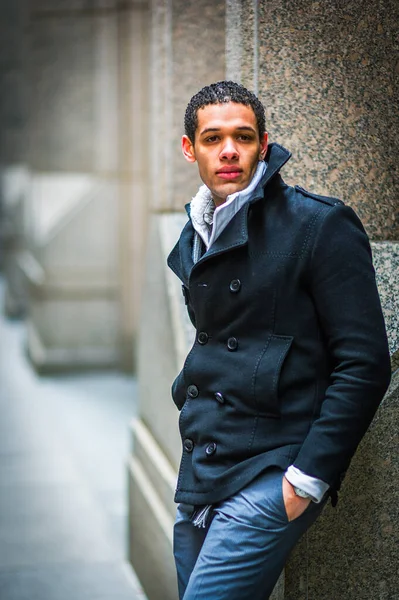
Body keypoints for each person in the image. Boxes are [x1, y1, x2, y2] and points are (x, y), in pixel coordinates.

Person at [167, 81, 391, 600]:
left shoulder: (318, 224)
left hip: (272, 472)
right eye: (212, 138)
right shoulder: (193, 231)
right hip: (203, 466)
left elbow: (365, 363)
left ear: (263, 146)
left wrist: (305, 480)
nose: (228, 150)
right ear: (189, 148)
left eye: (243, 137)